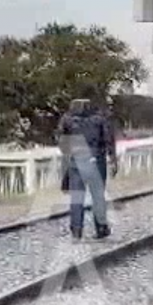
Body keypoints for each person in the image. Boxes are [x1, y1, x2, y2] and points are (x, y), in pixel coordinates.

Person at [57, 98, 115, 240]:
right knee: (98, 196)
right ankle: (101, 227)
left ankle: (76, 229)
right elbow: (109, 139)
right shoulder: (100, 119)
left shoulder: (67, 119)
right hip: (96, 160)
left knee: (77, 196)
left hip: (77, 160)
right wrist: (112, 159)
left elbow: (60, 140)